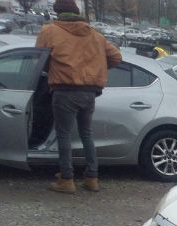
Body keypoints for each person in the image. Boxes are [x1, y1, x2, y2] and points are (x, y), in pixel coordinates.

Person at [35, 0, 121, 193]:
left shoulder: (50, 31)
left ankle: (66, 179)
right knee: (86, 134)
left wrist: (52, 69)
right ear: (76, 12)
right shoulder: (95, 35)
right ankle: (92, 178)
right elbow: (116, 57)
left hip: (64, 90)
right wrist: (95, 69)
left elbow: (38, 57)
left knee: (63, 135)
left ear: (58, 13)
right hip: (89, 92)